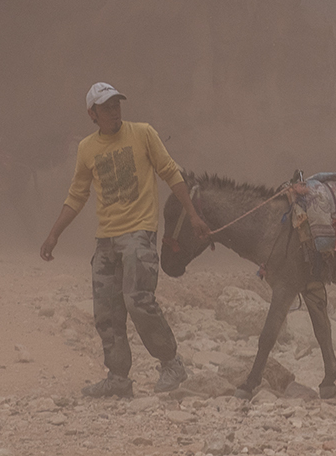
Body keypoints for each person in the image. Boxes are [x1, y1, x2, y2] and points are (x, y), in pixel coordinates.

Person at [39, 82, 211, 399]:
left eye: (117, 104)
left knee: (137, 299)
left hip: (139, 233)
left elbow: (172, 173)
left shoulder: (143, 133)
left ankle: (172, 364)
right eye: (106, 107)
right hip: (106, 239)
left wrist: (194, 215)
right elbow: (77, 196)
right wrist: (54, 234)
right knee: (107, 309)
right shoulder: (87, 148)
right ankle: (118, 378)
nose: (114, 111)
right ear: (92, 114)